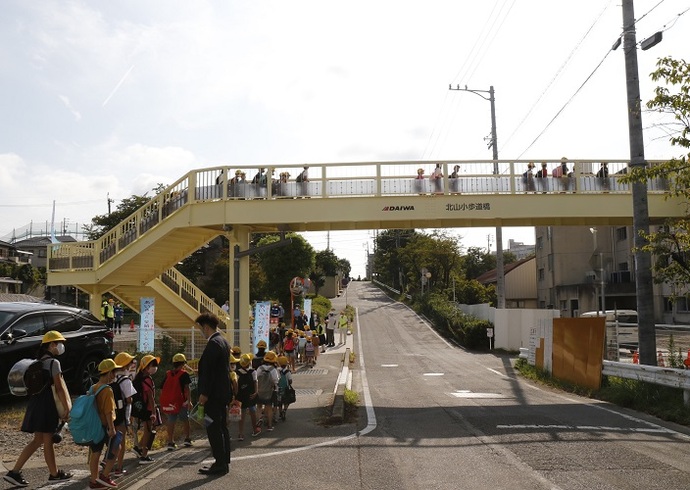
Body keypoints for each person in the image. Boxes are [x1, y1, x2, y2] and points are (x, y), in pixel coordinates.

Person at [3, 331, 72, 487]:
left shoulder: (37, 362)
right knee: (47, 441)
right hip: (47, 405)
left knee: (38, 440)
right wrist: (67, 407)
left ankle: (14, 472)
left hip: (36, 403)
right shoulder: (54, 363)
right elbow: (59, 388)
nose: (61, 346)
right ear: (51, 345)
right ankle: (54, 474)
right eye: (59, 343)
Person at [195, 312, 232, 476]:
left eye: (201, 328)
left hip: (213, 395)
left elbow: (209, 373)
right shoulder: (223, 341)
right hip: (222, 393)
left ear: (206, 327)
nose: (201, 332)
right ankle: (223, 461)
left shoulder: (213, 344)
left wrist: (204, 393)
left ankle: (219, 463)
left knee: (213, 428)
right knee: (222, 427)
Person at [87, 358, 123, 490]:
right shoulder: (107, 390)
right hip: (104, 425)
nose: (115, 375)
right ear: (108, 373)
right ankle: (105, 475)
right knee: (116, 447)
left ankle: (93, 480)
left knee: (95, 453)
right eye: (114, 372)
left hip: (93, 425)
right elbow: (109, 411)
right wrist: (112, 428)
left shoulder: (93, 387)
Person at [109, 352, 137, 478]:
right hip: (122, 415)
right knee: (121, 442)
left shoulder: (112, 378)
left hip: (111, 414)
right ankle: (118, 467)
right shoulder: (126, 380)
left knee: (111, 441)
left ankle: (109, 464)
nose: (132, 364)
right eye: (130, 362)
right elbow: (129, 399)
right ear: (125, 365)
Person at [132, 354, 159, 465]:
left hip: (140, 408)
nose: (155, 367)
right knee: (149, 431)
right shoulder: (147, 379)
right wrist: (153, 412)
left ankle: (139, 448)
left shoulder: (138, 378)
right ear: (146, 367)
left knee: (146, 430)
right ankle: (144, 456)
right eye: (152, 365)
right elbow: (150, 397)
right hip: (147, 409)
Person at [163, 353, 193, 450]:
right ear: (183, 363)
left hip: (171, 402)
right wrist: (189, 401)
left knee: (171, 421)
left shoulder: (168, 374)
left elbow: (162, 386)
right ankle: (187, 439)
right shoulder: (184, 374)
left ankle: (170, 442)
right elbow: (187, 388)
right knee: (185, 419)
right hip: (181, 401)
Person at [235, 353, 260, 440]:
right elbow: (255, 382)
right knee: (253, 412)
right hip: (251, 396)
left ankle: (240, 433)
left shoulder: (237, 373)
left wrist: (235, 395)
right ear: (249, 363)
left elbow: (236, 384)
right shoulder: (253, 372)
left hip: (241, 396)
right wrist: (256, 392)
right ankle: (255, 429)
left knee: (242, 414)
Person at [255, 351, 279, 432]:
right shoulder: (273, 370)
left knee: (259, 407)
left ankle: (259, 422)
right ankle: (269, 425)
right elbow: (276, 381)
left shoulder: (259, 368)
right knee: (269, 408)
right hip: (270, 392)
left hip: (260, 391)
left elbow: (256, 379)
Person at [275, 356, 293, 421]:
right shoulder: (287, 372)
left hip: (278, 389)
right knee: (286, 401)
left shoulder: (277, 370)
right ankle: (284, 410)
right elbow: (290, 381)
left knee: (279, 402)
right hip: (286, 389)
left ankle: (280, 413)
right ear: (286, 364)